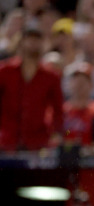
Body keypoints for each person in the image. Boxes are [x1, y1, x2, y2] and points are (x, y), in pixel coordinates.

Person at [0, 22, 64, 151]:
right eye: (29, 38)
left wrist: (57, 133)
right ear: (21, 41)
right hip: (7, 141)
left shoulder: (51, 76)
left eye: (37, 39)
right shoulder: (4, 71)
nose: (33, 43)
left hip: (38, 142)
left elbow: (58, 110)